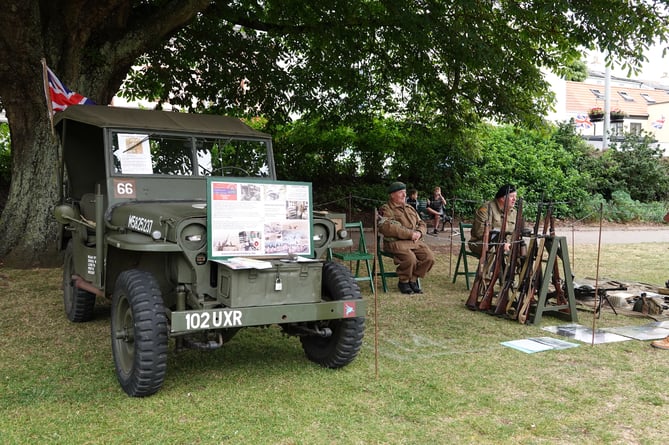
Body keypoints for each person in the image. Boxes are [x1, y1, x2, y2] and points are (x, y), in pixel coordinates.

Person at [378, 181, 435, 295]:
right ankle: (403, 281)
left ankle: (413, 279)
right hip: (395, 243)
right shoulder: (386, 209)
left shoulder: (410, 208)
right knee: (410, 259)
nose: (404, 195)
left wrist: (419, 232)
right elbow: (386, 227)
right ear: (392, 195)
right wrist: (410, 234)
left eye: (404, 192)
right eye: (400, 193)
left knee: (429, 258)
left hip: (414, 241)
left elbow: (421, 222)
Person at [468, 184, 520, 256]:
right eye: (511, 196)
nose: (515, 199)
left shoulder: (514, 212)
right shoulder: (487, 209)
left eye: (515, 197)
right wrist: (501, 243)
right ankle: (490, 267)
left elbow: (515, 232)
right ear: (502, 198)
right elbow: (480, 232)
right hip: (481, 243)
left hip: (506, 244)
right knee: (495, 248)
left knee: (522, 250)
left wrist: (510, 244)